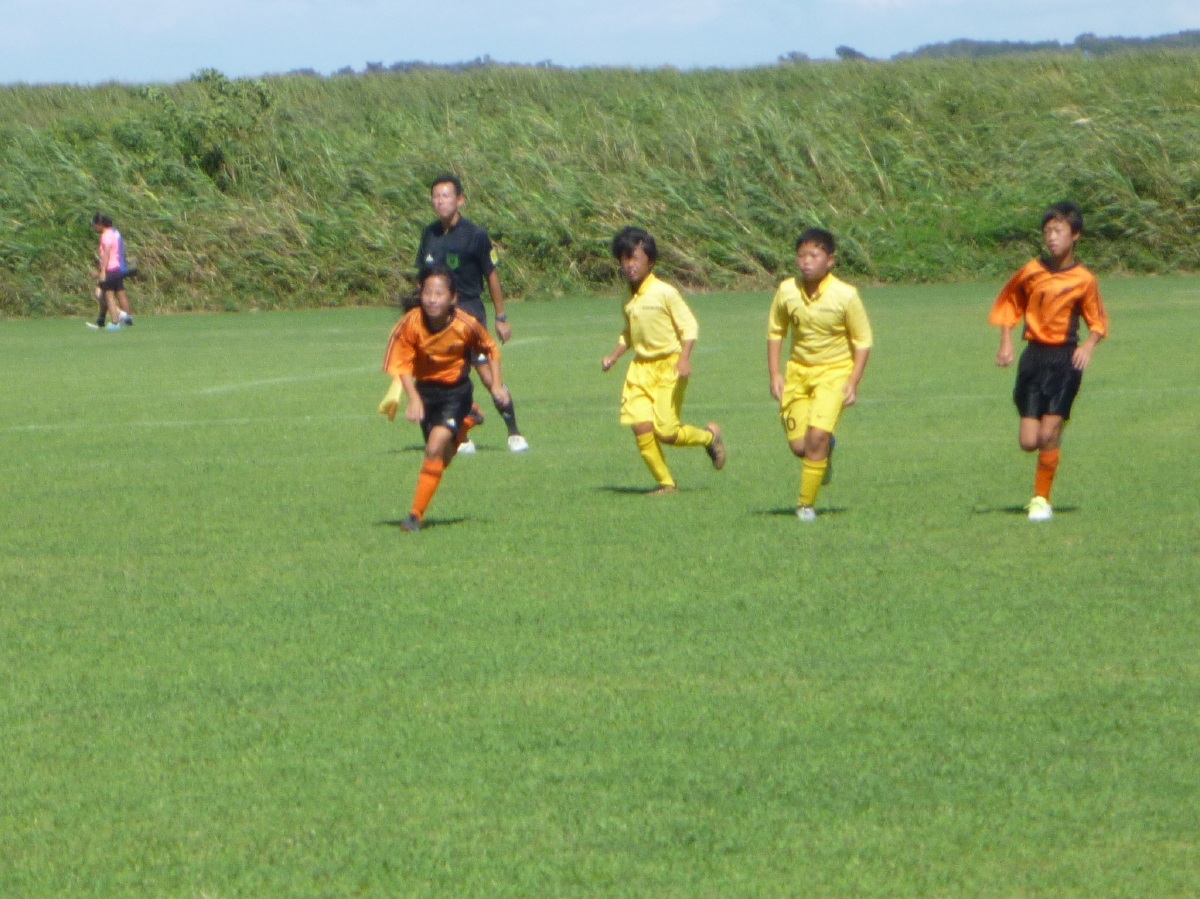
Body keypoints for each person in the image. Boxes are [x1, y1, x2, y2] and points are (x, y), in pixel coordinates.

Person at [989, 201, 1109, 521]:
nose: (1052, 237)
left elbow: (1097, 321)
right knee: (1029, 441)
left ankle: (1041, 499)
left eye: (1058, 231)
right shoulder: (1032, 271)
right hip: (1033, 358)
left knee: (1048, 433)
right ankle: (1048, 449)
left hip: (1065, 359)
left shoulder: (1084, 279)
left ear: (1075, 235)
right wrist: (1005, 341)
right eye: (1047, 232)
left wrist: (1089, 345)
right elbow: (1010, 302)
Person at [378, 264, 509, 532]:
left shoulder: (465, 324)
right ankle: (466, 423)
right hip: (426, 392)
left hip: (455, 393)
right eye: (427, 293)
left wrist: (497, 385)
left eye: (439, 294)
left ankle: (415, 516)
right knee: (442, 457)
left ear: (453, 298)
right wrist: (414, 398)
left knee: (434, 448)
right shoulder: (411, 323)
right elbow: (402, 364)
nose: (432, 299)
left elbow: (490, 349)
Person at [601, 226, 726, 494]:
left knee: (667, 432)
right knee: (641, 426)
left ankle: (709, 437)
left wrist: (684, 359)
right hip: (640, 369)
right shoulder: (627, 297)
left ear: (651, 261)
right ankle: (666, 484)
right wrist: (614, 356)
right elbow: (629, 332)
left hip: (669, 365)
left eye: (635, 258)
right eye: (624, 258)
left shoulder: (664, 292)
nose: (629, 264)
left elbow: (689, 326)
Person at [415, 174, 528, 453]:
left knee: (489, 377)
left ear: (460, 200)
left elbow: (491, 275)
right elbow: (423, 279)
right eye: (436, 196)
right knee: (443, 377)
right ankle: (461, 432)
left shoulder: (475, 235)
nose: (440, 201)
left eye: (446, 196)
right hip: (439, 318)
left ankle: (514, 432)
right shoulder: (429, 234)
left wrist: (501, 317)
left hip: (468, 312)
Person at [767, 228, 872, 521]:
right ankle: (827, 449)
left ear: (830, 260)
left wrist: (853, 381)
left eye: (814, 255)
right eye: (801, 255)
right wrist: (775, 373)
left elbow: (863, 341)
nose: (806, 261)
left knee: (816, 439)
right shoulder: (787, 291)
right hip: (798, 374)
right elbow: (776, 331)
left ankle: (805, 506)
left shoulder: (846, 295)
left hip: (834, 374)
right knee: (800, 446)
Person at [86, 213, 134, 330]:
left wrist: (102, 271)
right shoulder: (113, 233)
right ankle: (114, 318)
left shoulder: (106, 235)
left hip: (110, 269)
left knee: (108, 296)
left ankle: (116, 322)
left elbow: (106, 254)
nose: (94, 228)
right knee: (112, 293)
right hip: (117, 268)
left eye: (94, 225)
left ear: (100, 224)